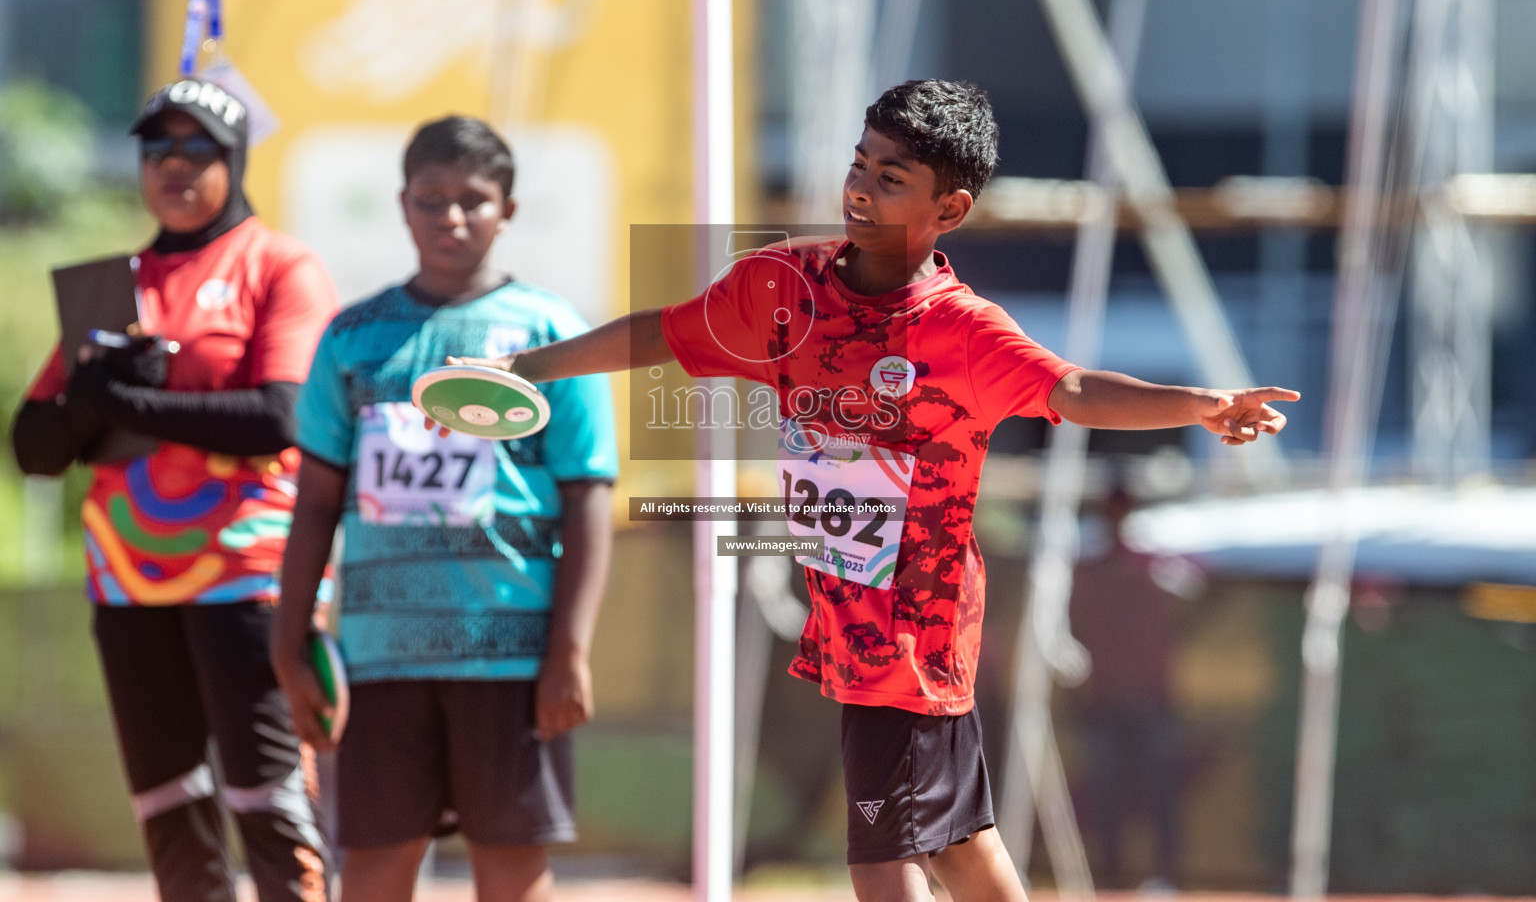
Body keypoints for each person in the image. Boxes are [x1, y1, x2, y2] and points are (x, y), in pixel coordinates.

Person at [450, 80, 1298, 902]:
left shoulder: (961, 331)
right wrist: (525, 367)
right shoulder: (781, 288)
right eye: (861, 163)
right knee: (961, 851)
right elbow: (663, 334)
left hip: (914, 636)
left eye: (891, 180)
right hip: (846, 623)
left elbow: (1070, 391)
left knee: (882, 866)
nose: (859, 188)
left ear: (950, 211)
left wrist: (1198, 406)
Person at [269, 116, 617, 902]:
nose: (450, 217)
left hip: (511, 655)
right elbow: (316, 500)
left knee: (513, 867)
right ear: (401, 204)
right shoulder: (352, 338)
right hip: (378, 656)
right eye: (432, 199)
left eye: (473, 200)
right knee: (376, 863)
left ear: (509, 210)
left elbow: (588, 497)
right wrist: (291, 649)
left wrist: (568, 651)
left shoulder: (551, 334)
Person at [10, 78, 337, 902]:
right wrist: (95, 396)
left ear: (234, 160)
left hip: (249, 571)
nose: (176, 165)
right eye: (158, 148)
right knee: (169, 800)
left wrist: (125, 401)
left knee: (268, 796)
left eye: (198, 149)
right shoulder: (112, 285)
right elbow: (34, 447)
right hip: (127, 578)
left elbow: (281, 418)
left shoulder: (279, 263)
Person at [1070, 482, 1199, 891]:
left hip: (1149, 699)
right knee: (1107, 792)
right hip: (1106, 700)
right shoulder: (1090, 570)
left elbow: (1194, 591)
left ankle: (1166, 875)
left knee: (1158, 788)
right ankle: (1111, 877)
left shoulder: (1154, 565)